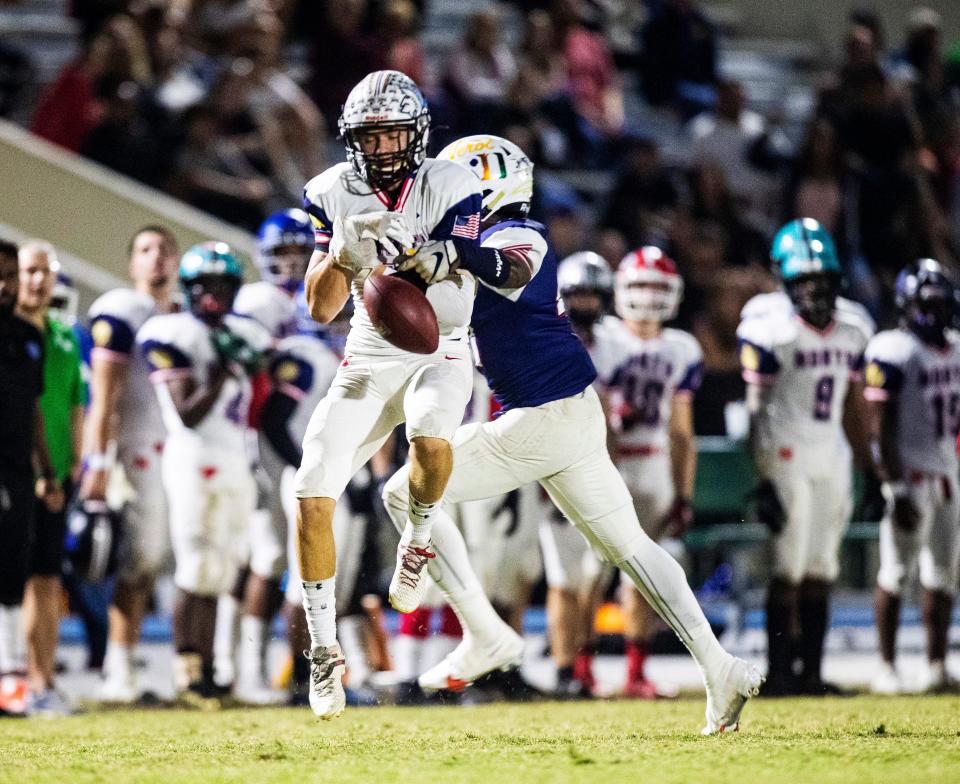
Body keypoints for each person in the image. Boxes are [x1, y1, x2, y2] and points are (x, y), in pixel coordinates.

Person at [385, 134, 763, 734]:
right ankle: (721, 669)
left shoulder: (518, 236)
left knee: (404, 493)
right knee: (631, 550)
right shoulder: (470, 243)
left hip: (544, 417)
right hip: (568, 413)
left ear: (483, 187)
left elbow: (503, 268)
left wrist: (442, 257)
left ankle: (484, 634)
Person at [295, 69, 481, 719]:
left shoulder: (451, 185)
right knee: (310, 489)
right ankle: (323, 655)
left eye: (392, 135)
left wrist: (436, 260)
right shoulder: (331, 192)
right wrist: (340, 258)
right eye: (368, 138)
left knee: (432, 436)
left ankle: (418, 537)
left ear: (418, 134)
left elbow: (464, 283)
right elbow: (319, 309)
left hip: (444, 342)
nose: (380, 150)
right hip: (371, 352)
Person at [737, 218, 873, 696]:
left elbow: (854, 404)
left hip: (831, 455)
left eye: (821, 280)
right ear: (784, 280)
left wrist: (870, 469)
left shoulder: (854, 326)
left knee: (821, 567)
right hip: (787, 452)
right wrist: (763, 476)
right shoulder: (767, 324)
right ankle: (781, 671)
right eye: (804, 280)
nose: (814, 289)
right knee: (786, 568)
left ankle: (811, 672)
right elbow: (756, 410)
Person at [137, 242, 270, 702]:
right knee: (194, 566)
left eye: (221, 286)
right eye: (204, 286)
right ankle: (186, 667)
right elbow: (187, 412)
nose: (213, 295)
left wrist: (248, 364)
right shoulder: (171, 332)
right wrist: (222, 371)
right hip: (193, 458)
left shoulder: (244, 331)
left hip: (235, 456)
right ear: (189, 290)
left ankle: (210, 665)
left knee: (223, 568)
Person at [81, 226, 179, 703]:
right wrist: (97, 463)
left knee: (188, 565)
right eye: (145, 250)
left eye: (164, 250)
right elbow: (104, 400)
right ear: (131, 264)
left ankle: (191, 669)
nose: (156, 258)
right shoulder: (123, 310)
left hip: (184, 452)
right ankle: (120, 669)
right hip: (139, 448)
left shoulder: (185, 316)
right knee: (139, 558)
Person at [218, 208, 312, 703]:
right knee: (267, 555)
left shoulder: (316, 294)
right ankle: (242, 669)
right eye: (285, 253)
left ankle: (248, 667)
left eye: (302, 252)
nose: (294, 263)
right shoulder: (258, 301)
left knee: (285, 558)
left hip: (296, 438)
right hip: (260, 438)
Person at [866, 259, 960, 694]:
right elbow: (878, 426)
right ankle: (886, 666)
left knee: (943, 575)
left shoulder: (955, 347)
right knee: (896, 572)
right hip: (912, 476)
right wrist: (895, 486)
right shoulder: (894, 350)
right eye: (927, 305)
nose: (935, 313)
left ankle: (936, 665)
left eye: (941, 304)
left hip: (947, 474)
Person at [17, 242, 86, 715]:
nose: (39, 281)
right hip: (21, 475)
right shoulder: (9, 333)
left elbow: (75, 400)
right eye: (30, 271)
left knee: (46, 581)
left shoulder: (64, 335)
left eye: (47, 271)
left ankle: (43, 680)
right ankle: (20, 679)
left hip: (59, 478)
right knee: (19, 582)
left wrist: (77, 460)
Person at [0, 239, 62, 717]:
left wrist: (47, 469)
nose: (5, 285)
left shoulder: (28, 336)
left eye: (10, 274)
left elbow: (35, 409)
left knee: (14, 572)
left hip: (18, 470)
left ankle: (11, 678)